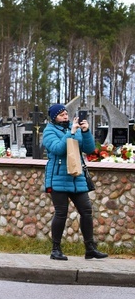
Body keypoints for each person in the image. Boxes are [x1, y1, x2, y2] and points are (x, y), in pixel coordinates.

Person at [42, 103, 108, 261]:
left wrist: (85, 132)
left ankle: (90, 248)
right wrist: (70, 134)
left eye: (66, 113)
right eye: (61, 114)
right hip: (58, 177)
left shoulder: (74, 127)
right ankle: (55, 249)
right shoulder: (49, 131)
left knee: (86, 211)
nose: (65, 116)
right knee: (61, 213)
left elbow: (89, 149)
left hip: (76, 176)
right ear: (53, 117)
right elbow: (58, 149)